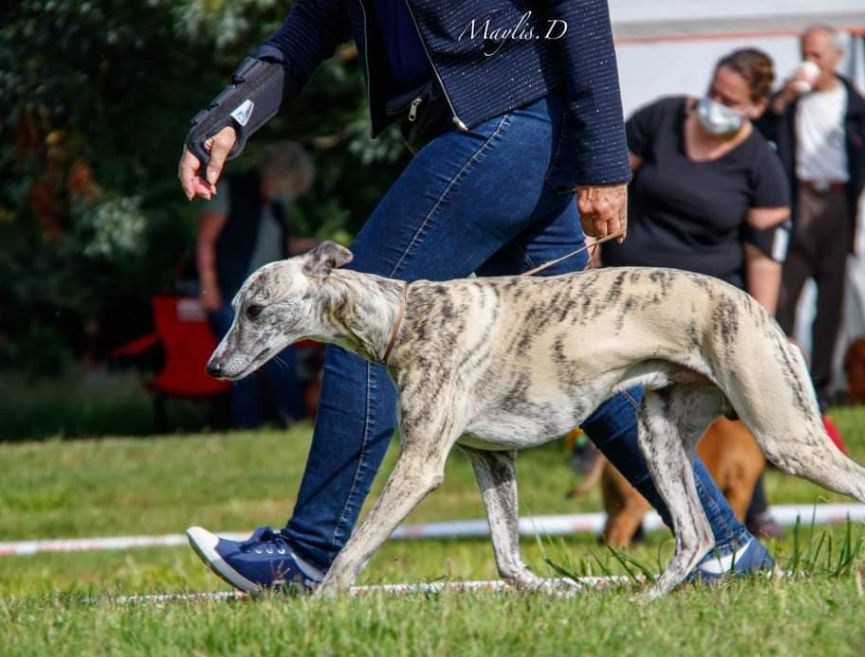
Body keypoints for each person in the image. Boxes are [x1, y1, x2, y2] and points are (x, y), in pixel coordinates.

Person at [178, 0, 772, 592]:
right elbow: (309, 26)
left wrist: (605, 162)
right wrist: (228, 117)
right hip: (484, 132)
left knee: (352, 312)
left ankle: (306, 556)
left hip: (504, 125)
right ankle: (725, 545)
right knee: (588, 362)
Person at [602, 48, 790, 538]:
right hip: (630, 297)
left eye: (730, 99)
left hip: (707, 313)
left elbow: (764, 258)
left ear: (755, 106)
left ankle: (750, 514)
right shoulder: (660, 119)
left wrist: (762, 329)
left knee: (729, 414)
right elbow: (603, 191)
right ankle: (629, 518)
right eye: (713, 91)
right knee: (620, 404)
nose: (714, 104)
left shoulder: (761, 167)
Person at [758, 25, 865, 395]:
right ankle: (779, 377)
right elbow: (761, 132)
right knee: (786, 293)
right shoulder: (792, 99)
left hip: (838, 201)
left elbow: (864, 159)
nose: (811, 61)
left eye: (818, 55)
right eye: (806, 53)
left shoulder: (854, 102)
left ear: (836, 57)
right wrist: (784, 98)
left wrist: (854, 201)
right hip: (799, 199)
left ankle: (821, 383)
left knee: (832, 298)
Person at [196, 141, 315, 428]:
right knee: (238, 359)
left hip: (266, 299)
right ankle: (246, 425)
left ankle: (294, 421)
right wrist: (208, 285)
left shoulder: (273, 207)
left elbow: (282, 247)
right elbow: (205, 240)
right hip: (229, 293)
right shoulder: (231, 190)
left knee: (280, 356)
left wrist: (317, 248)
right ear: (278, 176)